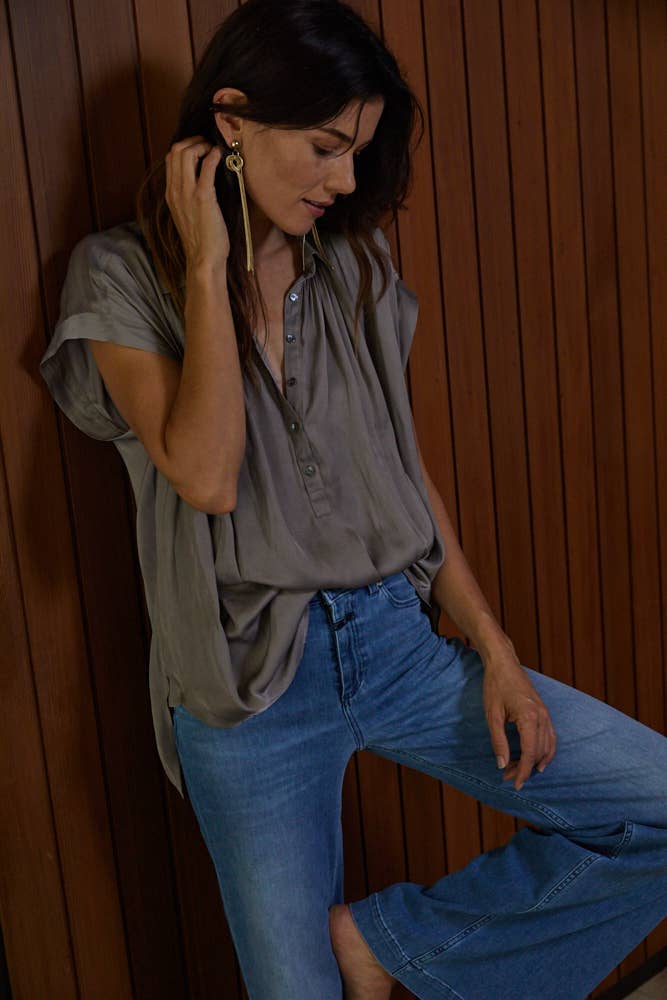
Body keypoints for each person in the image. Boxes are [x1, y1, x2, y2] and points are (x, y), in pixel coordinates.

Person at [39, 1, 667, 998]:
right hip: (247, 687)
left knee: (657, 807)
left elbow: (400, 472)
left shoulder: (350, 267)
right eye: (325, 148)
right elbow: (204, 474)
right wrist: (209, 264)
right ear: (232, 121)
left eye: (357, 154)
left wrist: (495, 648)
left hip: (394, 641)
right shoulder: (119, 275)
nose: (342, 181)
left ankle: (389, 945)